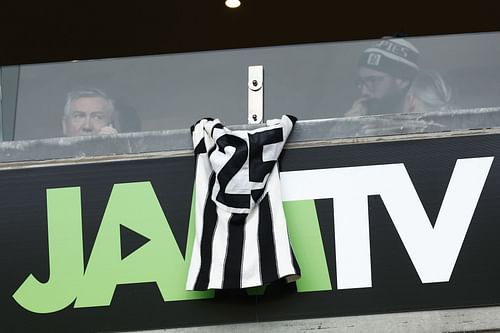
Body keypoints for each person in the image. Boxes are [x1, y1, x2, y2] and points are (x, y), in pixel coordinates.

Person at [345, 38, 420, 117]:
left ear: (403, 81)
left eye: (373, 81)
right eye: (361, 82)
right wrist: (349, 126)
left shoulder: (429, 122)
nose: (364, 92)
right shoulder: (356, 120)